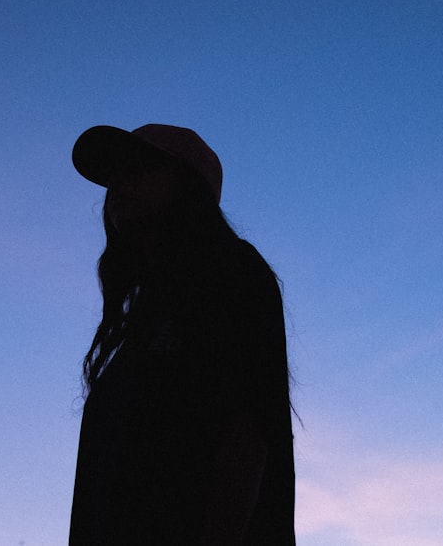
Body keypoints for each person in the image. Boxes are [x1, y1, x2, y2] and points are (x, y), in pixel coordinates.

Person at [69, 124, 296, 545]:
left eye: (140, 167)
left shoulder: (234, 275)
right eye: (114, 174)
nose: (119, 184)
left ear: (187, 186)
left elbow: (247, 433)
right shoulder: (141, 322)